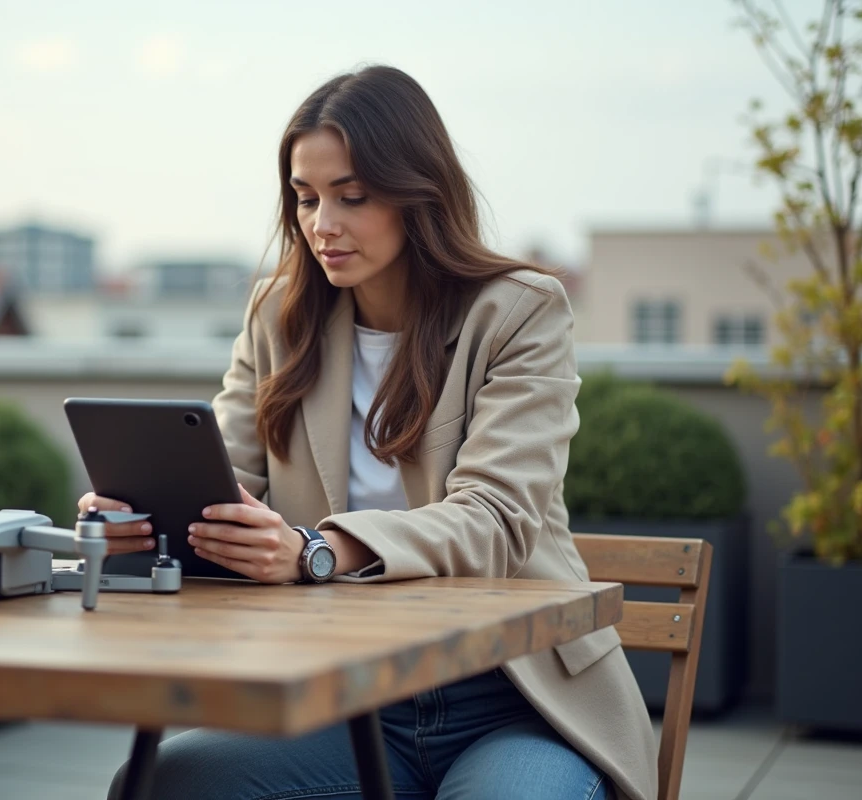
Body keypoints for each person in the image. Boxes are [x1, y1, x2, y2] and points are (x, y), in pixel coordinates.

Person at [80, 65, 657, 800]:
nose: (323, 223)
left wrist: (316, 551)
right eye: (306, 197)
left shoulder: (518, 312)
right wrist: (141, 519)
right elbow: (226, 487)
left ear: (419, 192)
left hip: (515, 701)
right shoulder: (278, 317)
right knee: (160, 783)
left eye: (352, 197)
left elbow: (495, 521)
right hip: (351, 702)